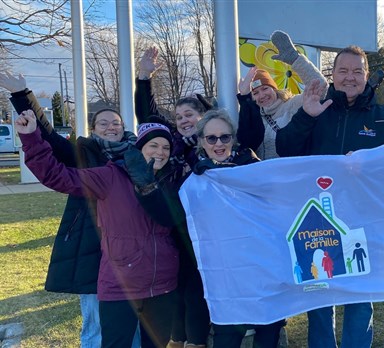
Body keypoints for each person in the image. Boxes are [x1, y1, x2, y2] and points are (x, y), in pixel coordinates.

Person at [276, 45, 384, 348]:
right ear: (332, 75)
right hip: (316, 221)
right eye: (343, 71)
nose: (350, 77)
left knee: (359, 299)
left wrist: (370, 165)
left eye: (357, 71)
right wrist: (305, 117)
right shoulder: (314, 109)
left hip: (363, 222)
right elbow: (285, 150)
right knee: (320, 300)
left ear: (365, 76)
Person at [0, 72, 142, 348]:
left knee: (132, 322)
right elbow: (49, 137)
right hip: (91, 246)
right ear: (93, 129)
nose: (111, 127)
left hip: (131, 249)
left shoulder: (137, 156)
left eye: (116, 123)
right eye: (104, 123)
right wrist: (21, 95)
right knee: (96, 322)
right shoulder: (82, 153)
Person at [17, 111, 179, 348]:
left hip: (163, 283)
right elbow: (56, 176)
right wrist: (30, 138)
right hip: (121, 283)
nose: (160, 152)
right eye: (153, 145)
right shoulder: (111, 176)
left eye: (166, 147)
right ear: (139, 147)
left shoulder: (171, 180)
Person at [188, 109, 286, 348]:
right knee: (227, 338)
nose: (219, 143)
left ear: (233, 138)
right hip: (226, 275)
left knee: (268, 332)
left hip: (261, 269)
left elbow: (281, 199)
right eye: (211, 138)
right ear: (201, 141)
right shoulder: (195, 181)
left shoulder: (254, 168)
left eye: (225, 137)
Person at [136, 47, 213, 347]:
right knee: (179, 288)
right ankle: (177, 340)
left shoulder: (212, 142)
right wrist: (144, 78)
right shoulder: (172, 145)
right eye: (179, 116)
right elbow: (148, 115)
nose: (183, 120)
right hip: (175, 227)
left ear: (202, 117)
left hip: (204, 229)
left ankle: (196, 341)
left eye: (189, 115)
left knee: (196, 289)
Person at [236, 30, 327, 159]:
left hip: (293, 174)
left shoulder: (293, 104)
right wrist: (245, 96)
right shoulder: (254, 119)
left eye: (265, 88)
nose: (261, 95)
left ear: (274, 88)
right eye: (255, 93)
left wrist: (295, 59)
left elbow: (320, 87)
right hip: (264, 176)